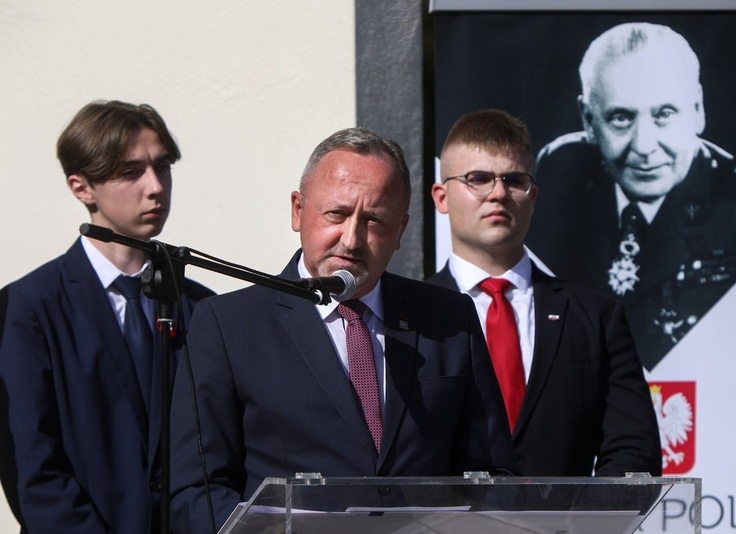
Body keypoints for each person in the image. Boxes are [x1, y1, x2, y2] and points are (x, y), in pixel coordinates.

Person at [168, 127, 518, 533]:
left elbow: (492, 475)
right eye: (336, 214)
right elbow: (198, 492)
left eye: (374, 221)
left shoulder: (449, 318)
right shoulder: (228, 324)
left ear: (402, 229)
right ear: (298, 210)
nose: (351, 239)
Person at [0, 100, 215, 533]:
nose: (155, 186)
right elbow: (34, 471)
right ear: (81, 187)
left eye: (163, 166)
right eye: (130, 171)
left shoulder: (201, 307)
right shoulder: (28, 307)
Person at [429, 109, 661, 477]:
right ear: (441, 197)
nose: (499, 193)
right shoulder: (408, 317)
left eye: (514, 179)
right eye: (478, 179)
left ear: (532, 196)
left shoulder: (597, 319)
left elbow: (634, 449)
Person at [527, 22, 736, 370]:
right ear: (589, 121)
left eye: (664, 114)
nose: (644, 146)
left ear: (697, 110)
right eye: (621, 118)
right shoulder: (559, 176)